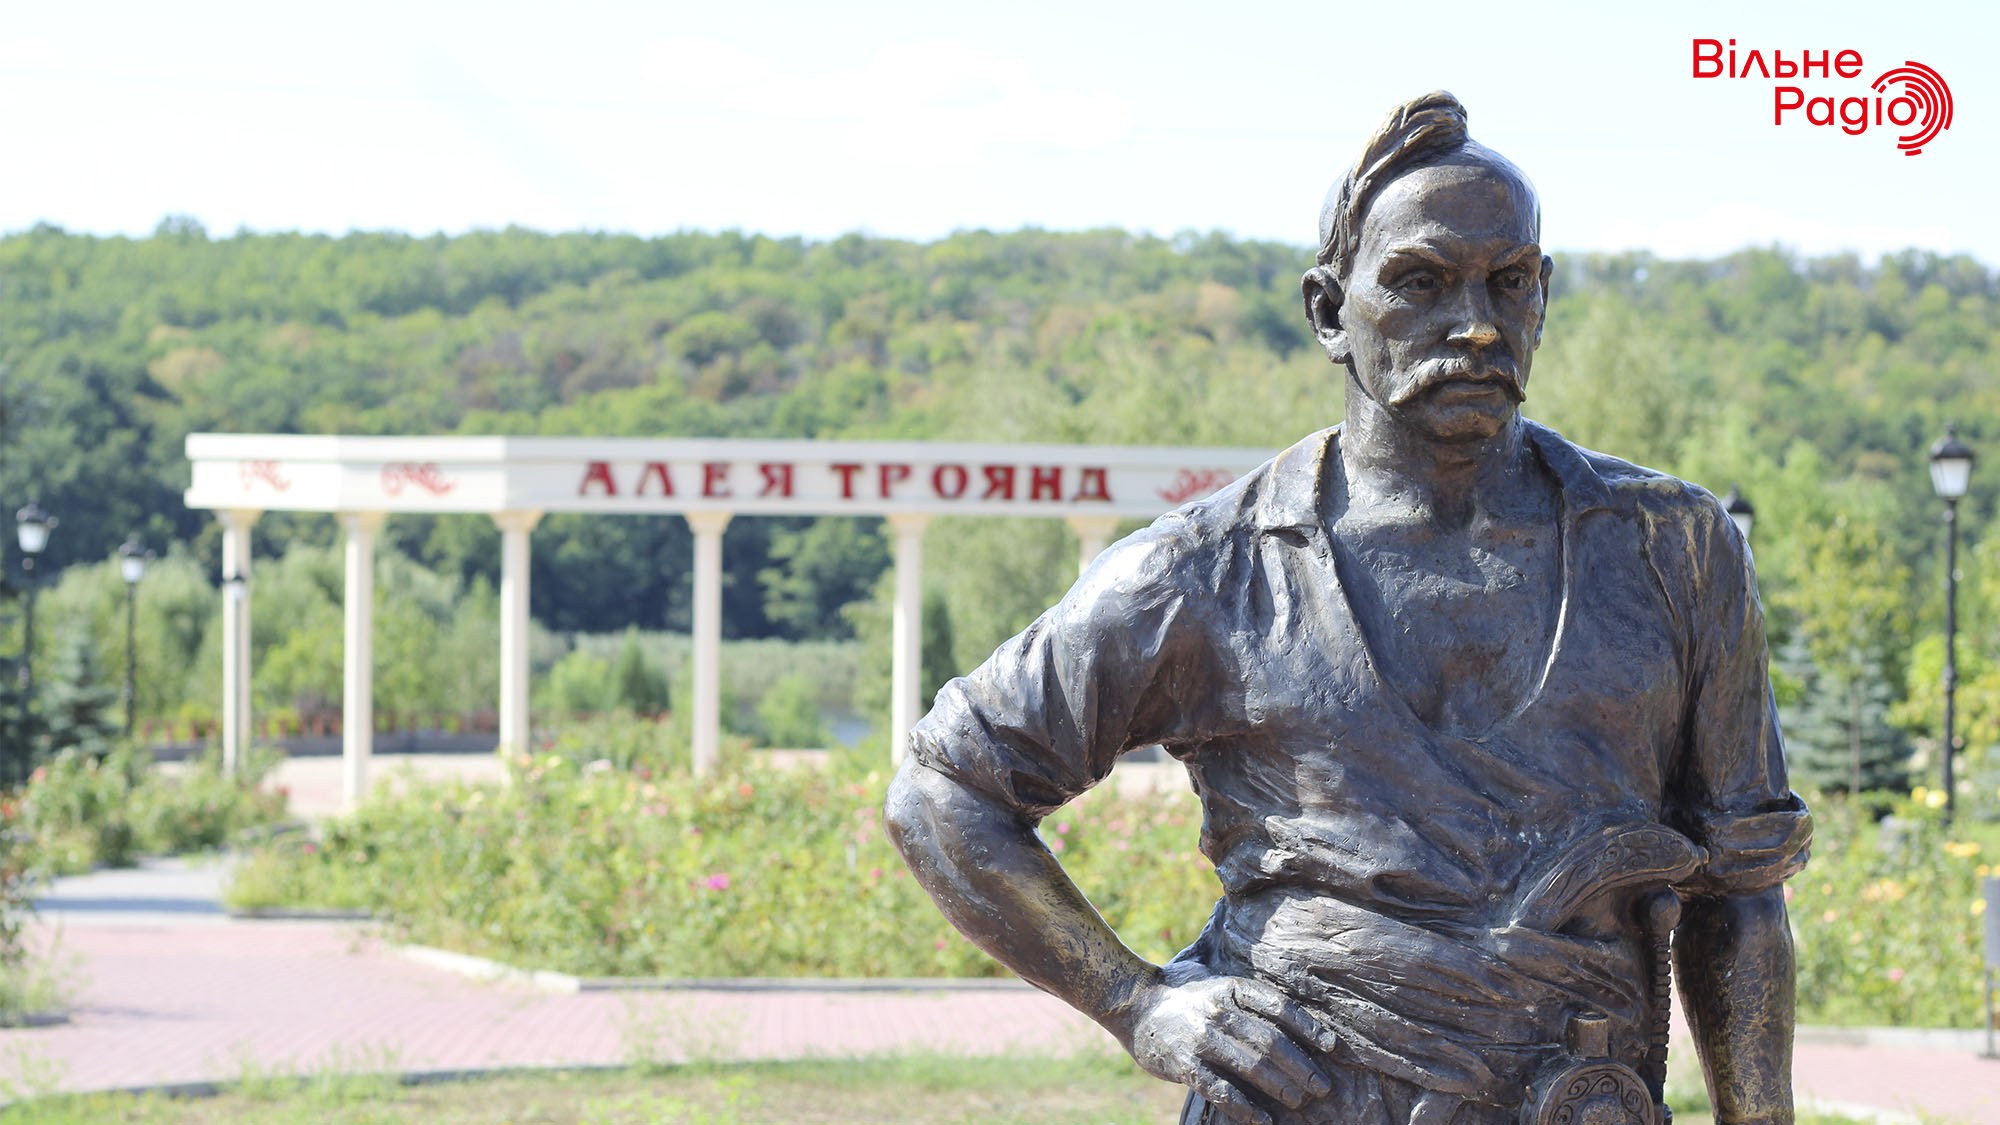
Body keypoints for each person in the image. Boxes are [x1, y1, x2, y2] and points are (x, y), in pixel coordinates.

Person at [884, 91, 1810, 1125]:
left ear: (1540, 296)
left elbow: (1739, 887)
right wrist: (1136, 1003)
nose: (1473, 324)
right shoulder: (1207, 570)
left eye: (1508, 283)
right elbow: (943, 789)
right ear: (1330, 311)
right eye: (1416, 283)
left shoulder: (1669, 547)